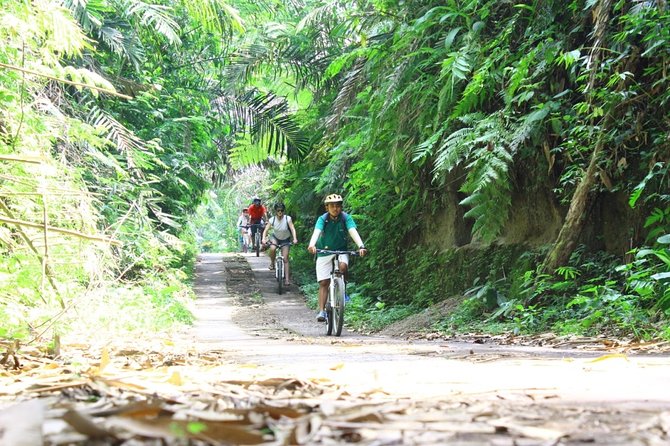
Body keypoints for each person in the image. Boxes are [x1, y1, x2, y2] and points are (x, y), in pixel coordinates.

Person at [307, 194, 367, 322]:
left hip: (341, 250)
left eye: (338, 206)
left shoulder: (346, 218)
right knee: (324, 283)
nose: (335, 208)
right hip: (324, 252)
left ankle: (342, 290)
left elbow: (352, 231)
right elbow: (317, 232)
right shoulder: (323, 219)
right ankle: (322, 311)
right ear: (327, 207)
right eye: (332, 206)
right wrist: (312, 245)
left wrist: (361, 245)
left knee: (343, 266)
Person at [262, 203, 298, 285]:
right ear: (276, 211)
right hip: (275, 238)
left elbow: (292, 229)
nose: (280, 212)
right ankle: (272, 263)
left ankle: (287, 280)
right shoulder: (272, 220)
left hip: (285, 239)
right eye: (278, 210)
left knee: (285, 258)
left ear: (283, 211)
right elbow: (266, 230)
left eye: (281, 210)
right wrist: (263, 238)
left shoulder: (287, 219)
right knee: (272, 248)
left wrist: (295, 238)